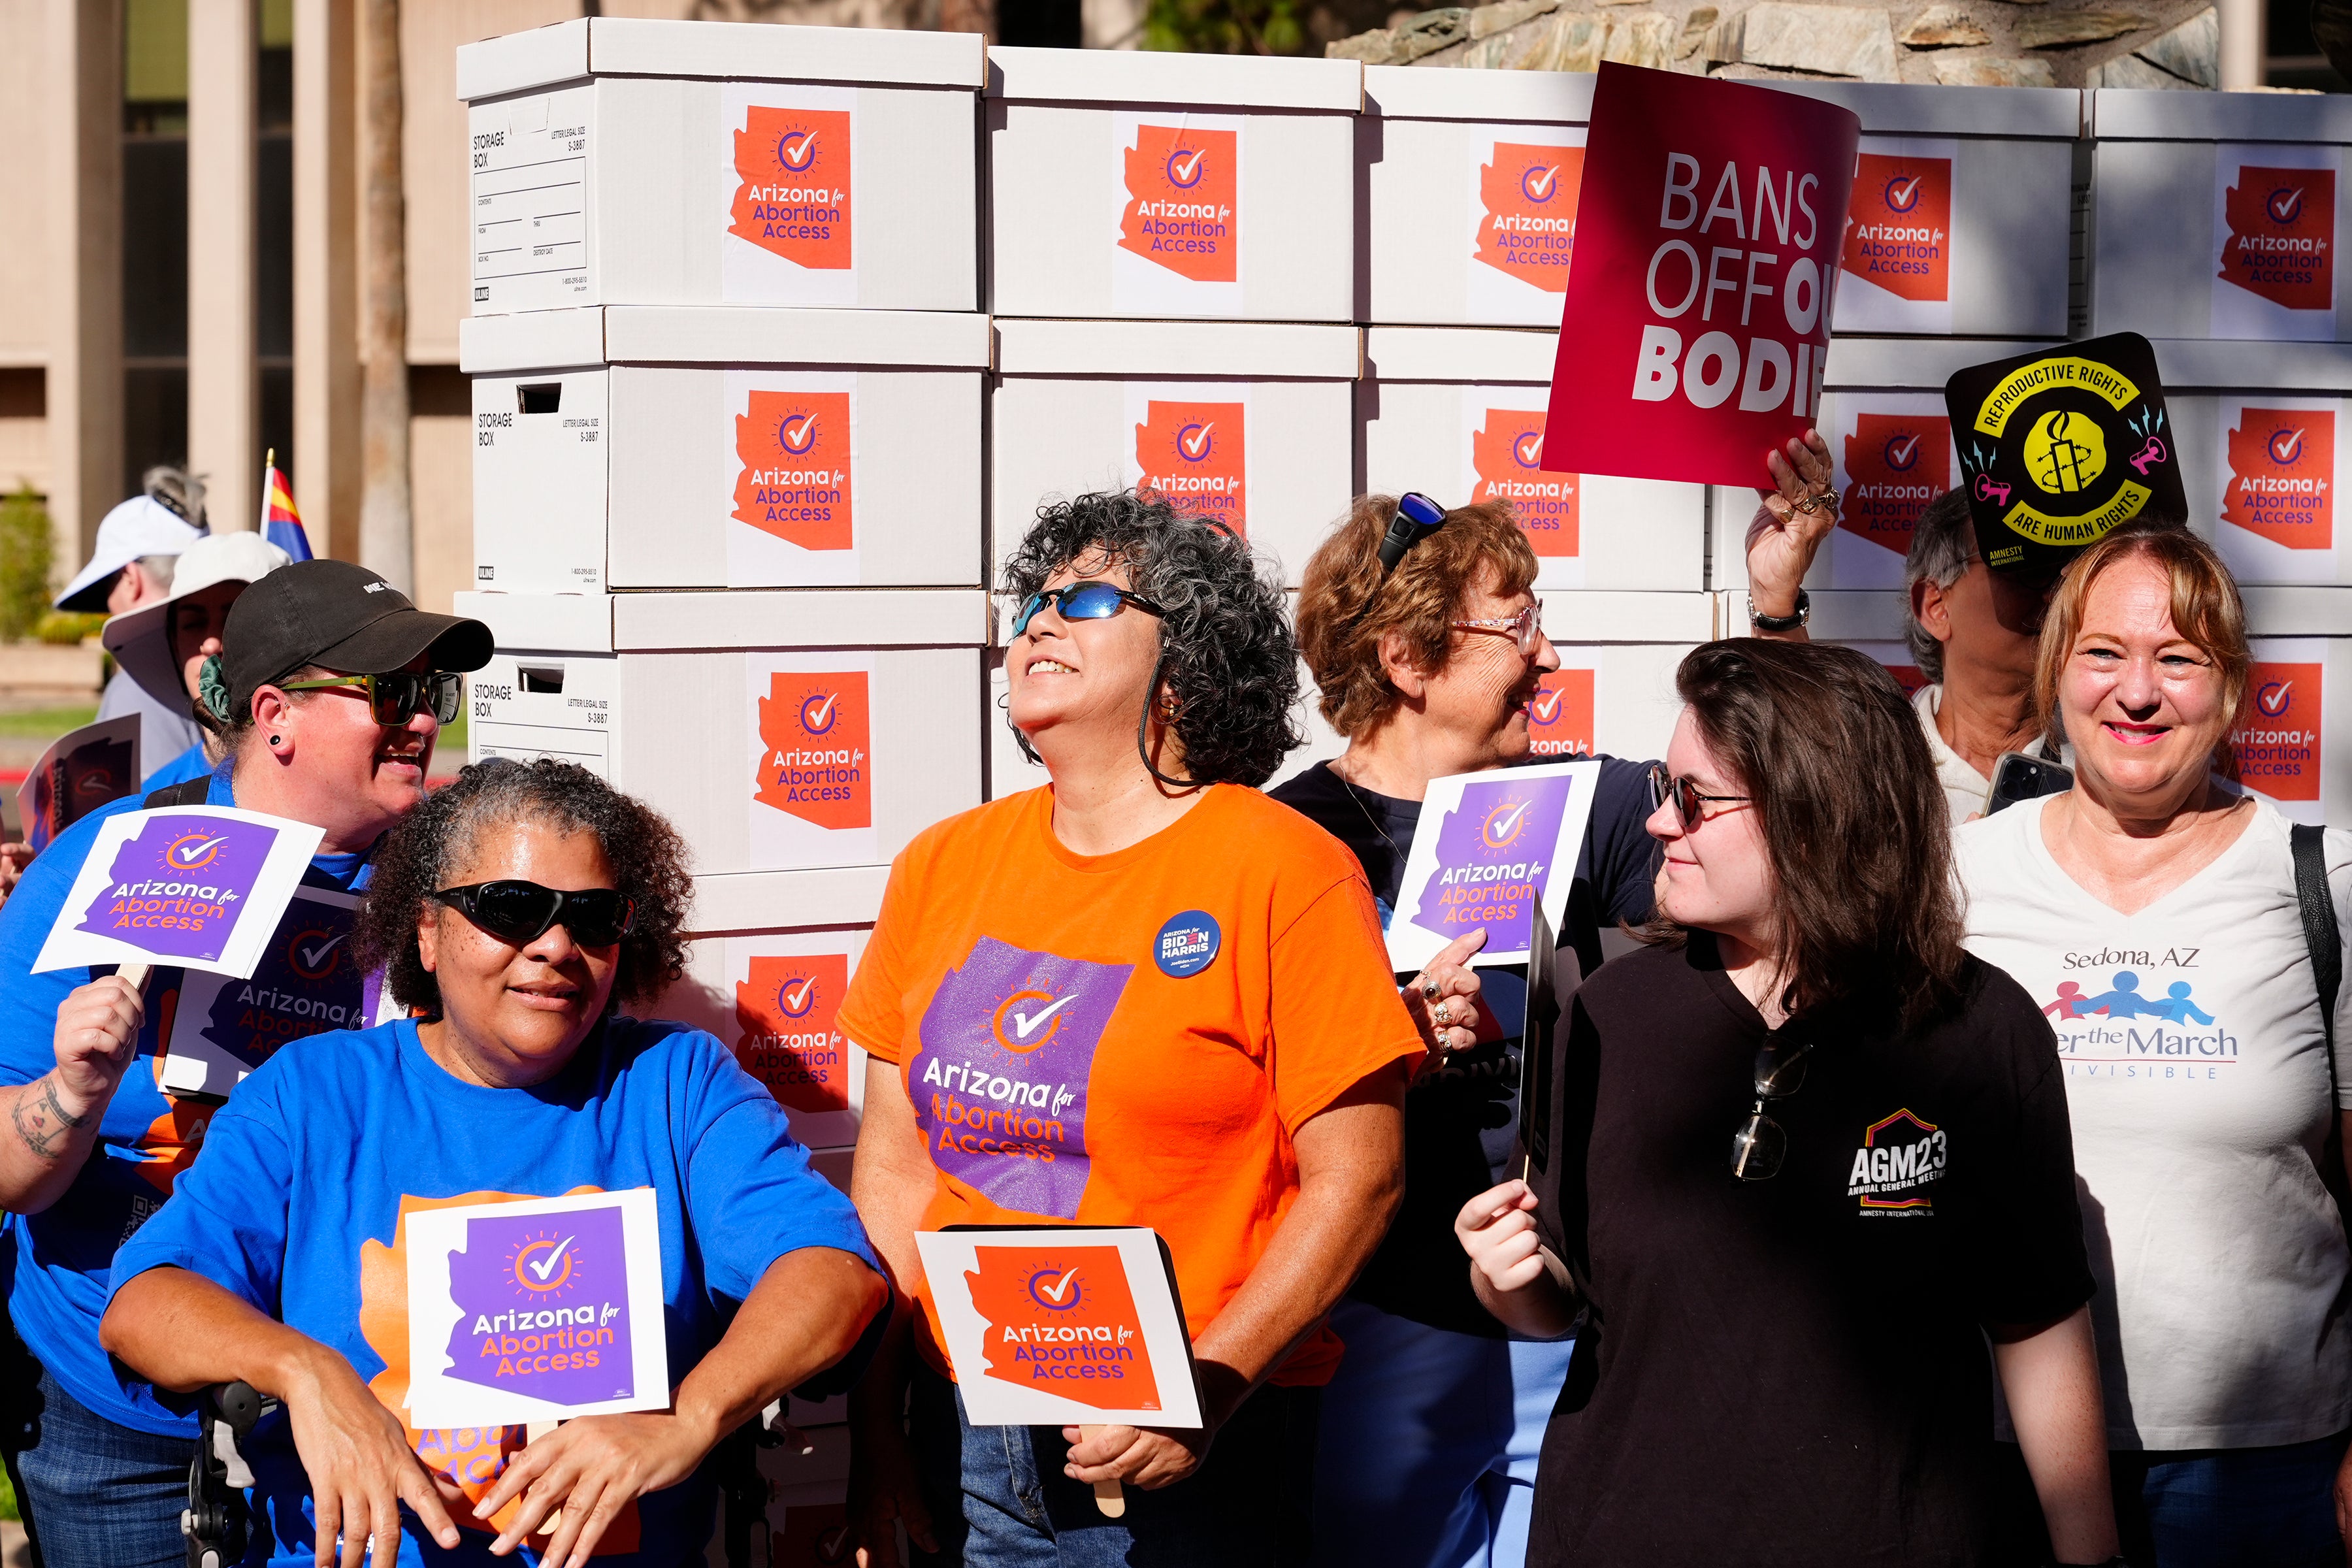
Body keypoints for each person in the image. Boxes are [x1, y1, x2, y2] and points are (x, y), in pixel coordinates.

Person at [1274, 434, 1837, 1568]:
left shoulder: (1587, 800)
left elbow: (1783, 820)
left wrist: (1774, 607)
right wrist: (1388, 1041)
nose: (1548, 652)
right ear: (1407, 658)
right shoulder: (1289, 842)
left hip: (1565, 1313)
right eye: (1518, 625)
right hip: (1375, 1324)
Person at [99, 757, 885, 1566]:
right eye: (510, 908)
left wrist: (692, 1416)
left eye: (592, 917)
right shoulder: (311, 1095)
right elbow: (144, 1305)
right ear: (428, 932)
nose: (554, 946)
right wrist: (302, 1370)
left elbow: (832, 1273)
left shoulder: (678, 1083)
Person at [840, 491, 1422, 1567]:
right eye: (1035, 600)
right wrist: (876, 1432)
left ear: (1186, 660)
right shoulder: (942, 865)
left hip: (1193, 1448)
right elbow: (893, 1169)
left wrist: (1209, 1385)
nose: (1042, 622)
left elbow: (1362, 1179)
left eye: (1092, 597)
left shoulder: (1284, 870)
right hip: (972, 1431)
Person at [1455, 639, 2119, 1567]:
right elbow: (1562, 1300)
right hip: (1620, 1536)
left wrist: (2092, 1557)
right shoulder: (1609, 1013)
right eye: (1662, 791)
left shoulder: (1982, 1027)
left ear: (1814, 815)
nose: (1656, 825)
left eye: (1693, 799)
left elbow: (2037, 1318)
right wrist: (1508, 1275)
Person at [0, 558, 490, 1568]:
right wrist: (75, 1092)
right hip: (122, 1421)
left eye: (431, 693)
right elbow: (11, 1172)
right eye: (388, 692)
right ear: (275, 715)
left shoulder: (467, 890)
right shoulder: (107, 866)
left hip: (383, 1401)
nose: (420, 720)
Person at [1955, 521, 2352, 1565]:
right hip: (1996, 1456)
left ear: (2230, 689)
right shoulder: (1953, 882)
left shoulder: (2326, 886)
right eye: (2103, 654)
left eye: (2177, 659)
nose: (2137, 694)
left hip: (2266, 1465)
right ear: (2057, 671)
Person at [1903, 487, 2066, 823]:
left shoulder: (2113, 761)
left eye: (2068, 570)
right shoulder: (1872, 762)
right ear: (1936, 607)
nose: (2057, 594)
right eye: (2027, 566)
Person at [99, 530, 293, 791]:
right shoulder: (154, 801)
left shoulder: (336, 775)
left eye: (232, 619)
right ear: (174, 647)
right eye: (192, 624)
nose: (212, 644)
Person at [60, 470, 213, 768]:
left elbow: (149, 809)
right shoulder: (231, 661)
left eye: (107, 584)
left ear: (130, 578)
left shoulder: (140, 685)